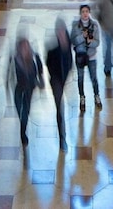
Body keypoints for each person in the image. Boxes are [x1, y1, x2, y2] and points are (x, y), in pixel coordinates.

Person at [7, 36, 44, 146]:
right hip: (18, 89)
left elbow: (40, 70)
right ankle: (22, 127)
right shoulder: (14, 60)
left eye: (26, 47)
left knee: (25, 113)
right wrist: (8, 90)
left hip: (29, 89)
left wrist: (40, 82)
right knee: (20, 111)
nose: (25, 49)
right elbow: (9, 76)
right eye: (22, 47)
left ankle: (23, 133)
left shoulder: (34, 57)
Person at [46, 18, 73, 151]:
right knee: (60, 110)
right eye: (59, 33)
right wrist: (56, 79)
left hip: (64, 78)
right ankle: (62, 138)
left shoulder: (68, 43)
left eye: (63, 32)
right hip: (56, 80)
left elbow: (69, 61)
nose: (62, 35)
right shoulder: (52, 49)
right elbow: (49, 65)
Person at [71, 4, 102, 111]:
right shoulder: (75, 25)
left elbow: (97, 42)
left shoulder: (95, 25)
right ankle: (82, 97)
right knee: (80, 78)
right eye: (83, 12)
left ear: (89, 13)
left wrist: (90, 42)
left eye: (87, 11)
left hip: (91, 56)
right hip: (80, 56)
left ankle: (96, 96)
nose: (85, 14)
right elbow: (73, 41)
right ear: (80, 13)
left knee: (94, 78)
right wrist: (81, 37)